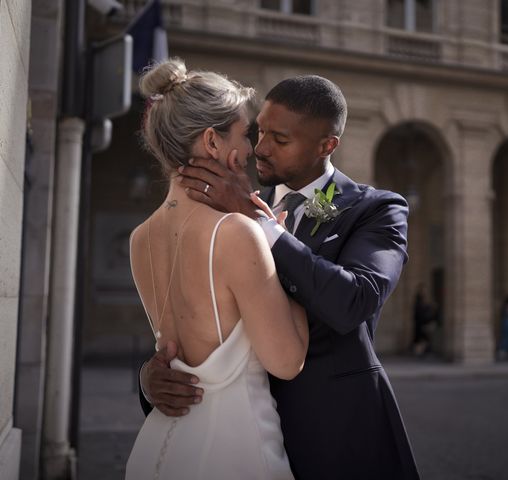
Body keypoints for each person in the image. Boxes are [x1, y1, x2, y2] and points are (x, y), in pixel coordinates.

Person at [140, 74, 420, 479]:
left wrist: (262, 228)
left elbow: (354, 301)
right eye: (259, 132)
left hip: (338, 438)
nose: (261, 149)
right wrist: (153, 377)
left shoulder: (376, 209)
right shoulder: (227, 209)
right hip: (240, 439)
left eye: (281, 140)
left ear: (327, 146)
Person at [126, 59, 308, 479]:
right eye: (245, 135)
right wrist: (278, 247)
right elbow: (287, 361)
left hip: (161, 446)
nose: (251, 150)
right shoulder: (239, 234)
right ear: (212, 141)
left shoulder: (139, 239)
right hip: (236, 449)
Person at [412, 283, 434, 355]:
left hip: (423, 321)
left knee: (423, 338)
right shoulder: (418, 299)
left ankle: (420, 352)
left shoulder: (423, 298)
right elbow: (418, 311)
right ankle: (418, 352)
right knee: (419, 337)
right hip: (419, 321)